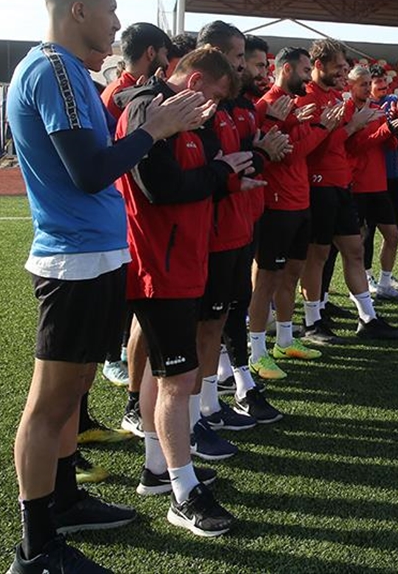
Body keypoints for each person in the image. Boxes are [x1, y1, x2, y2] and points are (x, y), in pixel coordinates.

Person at [5, 0, 212, 573]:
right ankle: (36, 548)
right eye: (109, 7)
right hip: (74, 259)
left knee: (71, 396)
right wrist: (156, 128)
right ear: (78, 11)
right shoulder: (54, 70)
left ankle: (63, 500)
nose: (117, 21)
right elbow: (89, 171)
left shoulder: (68, 72)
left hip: (92, 254)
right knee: (50, 403)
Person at [116, 46, 249, 536]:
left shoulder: (184, 117)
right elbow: (161, 188)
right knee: (178, 379)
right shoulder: (148, 111)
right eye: (213, 97)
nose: (215, 109)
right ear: (194, 83)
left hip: (182, 262)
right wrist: (220, 172)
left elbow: (203, 178)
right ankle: (182, 491)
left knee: (168, 371)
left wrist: (225, 170)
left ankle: (157, 469)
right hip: (159, 267)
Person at [196, 25, 290, 440]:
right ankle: (202, 406)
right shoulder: (203, 107)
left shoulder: (242, 106)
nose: (246, 66)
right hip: (212, 230)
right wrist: (259, 153)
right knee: (206, 322)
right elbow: (220, 167)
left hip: (241, 220)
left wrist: (260, 152)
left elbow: (250, 161)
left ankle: (234, 388)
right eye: (240, 57)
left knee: (230, 310)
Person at [296, 38, 398, 343]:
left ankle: (367, 319)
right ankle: (313, 322)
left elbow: (349, 146)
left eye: (345, 67)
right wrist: (352, 126)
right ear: (319, 66)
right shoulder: (307, 98)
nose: (343, 72)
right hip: (319, 185)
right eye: (338, 67)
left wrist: (360, 127)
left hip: (341, 183)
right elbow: (311, 148)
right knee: (317, 255)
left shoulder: (335, 98)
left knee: (354, 250)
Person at [247, 47, 331, 377]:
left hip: (300, 200)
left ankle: (284, 339)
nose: (310, 74)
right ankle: (256, 351)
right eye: (305, 68)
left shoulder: (294, 104)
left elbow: (297, 145)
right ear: (286, 70)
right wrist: (320, 127)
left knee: (292, 274)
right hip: (277, 203)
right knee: (266, 279)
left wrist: (310, 125)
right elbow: (288, 154)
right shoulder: (269, 105)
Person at [346, 65, 398, 301]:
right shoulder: (349, 111)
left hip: (378, 183)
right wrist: (385, 130)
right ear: (351, 86)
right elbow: (355, 146)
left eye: (367, 83)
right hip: (357, 184)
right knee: (359, 240)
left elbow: (389, 145)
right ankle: (362, 284)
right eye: (363, 84)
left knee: (392, 235)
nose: (367, 88)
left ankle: (384, 283)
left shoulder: (376, 109)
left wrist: (393, 129)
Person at [101, 22, 170, 120]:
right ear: (151, 53)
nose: (167, 63)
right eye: (165, 54)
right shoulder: (121, 94)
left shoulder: (122, 88)